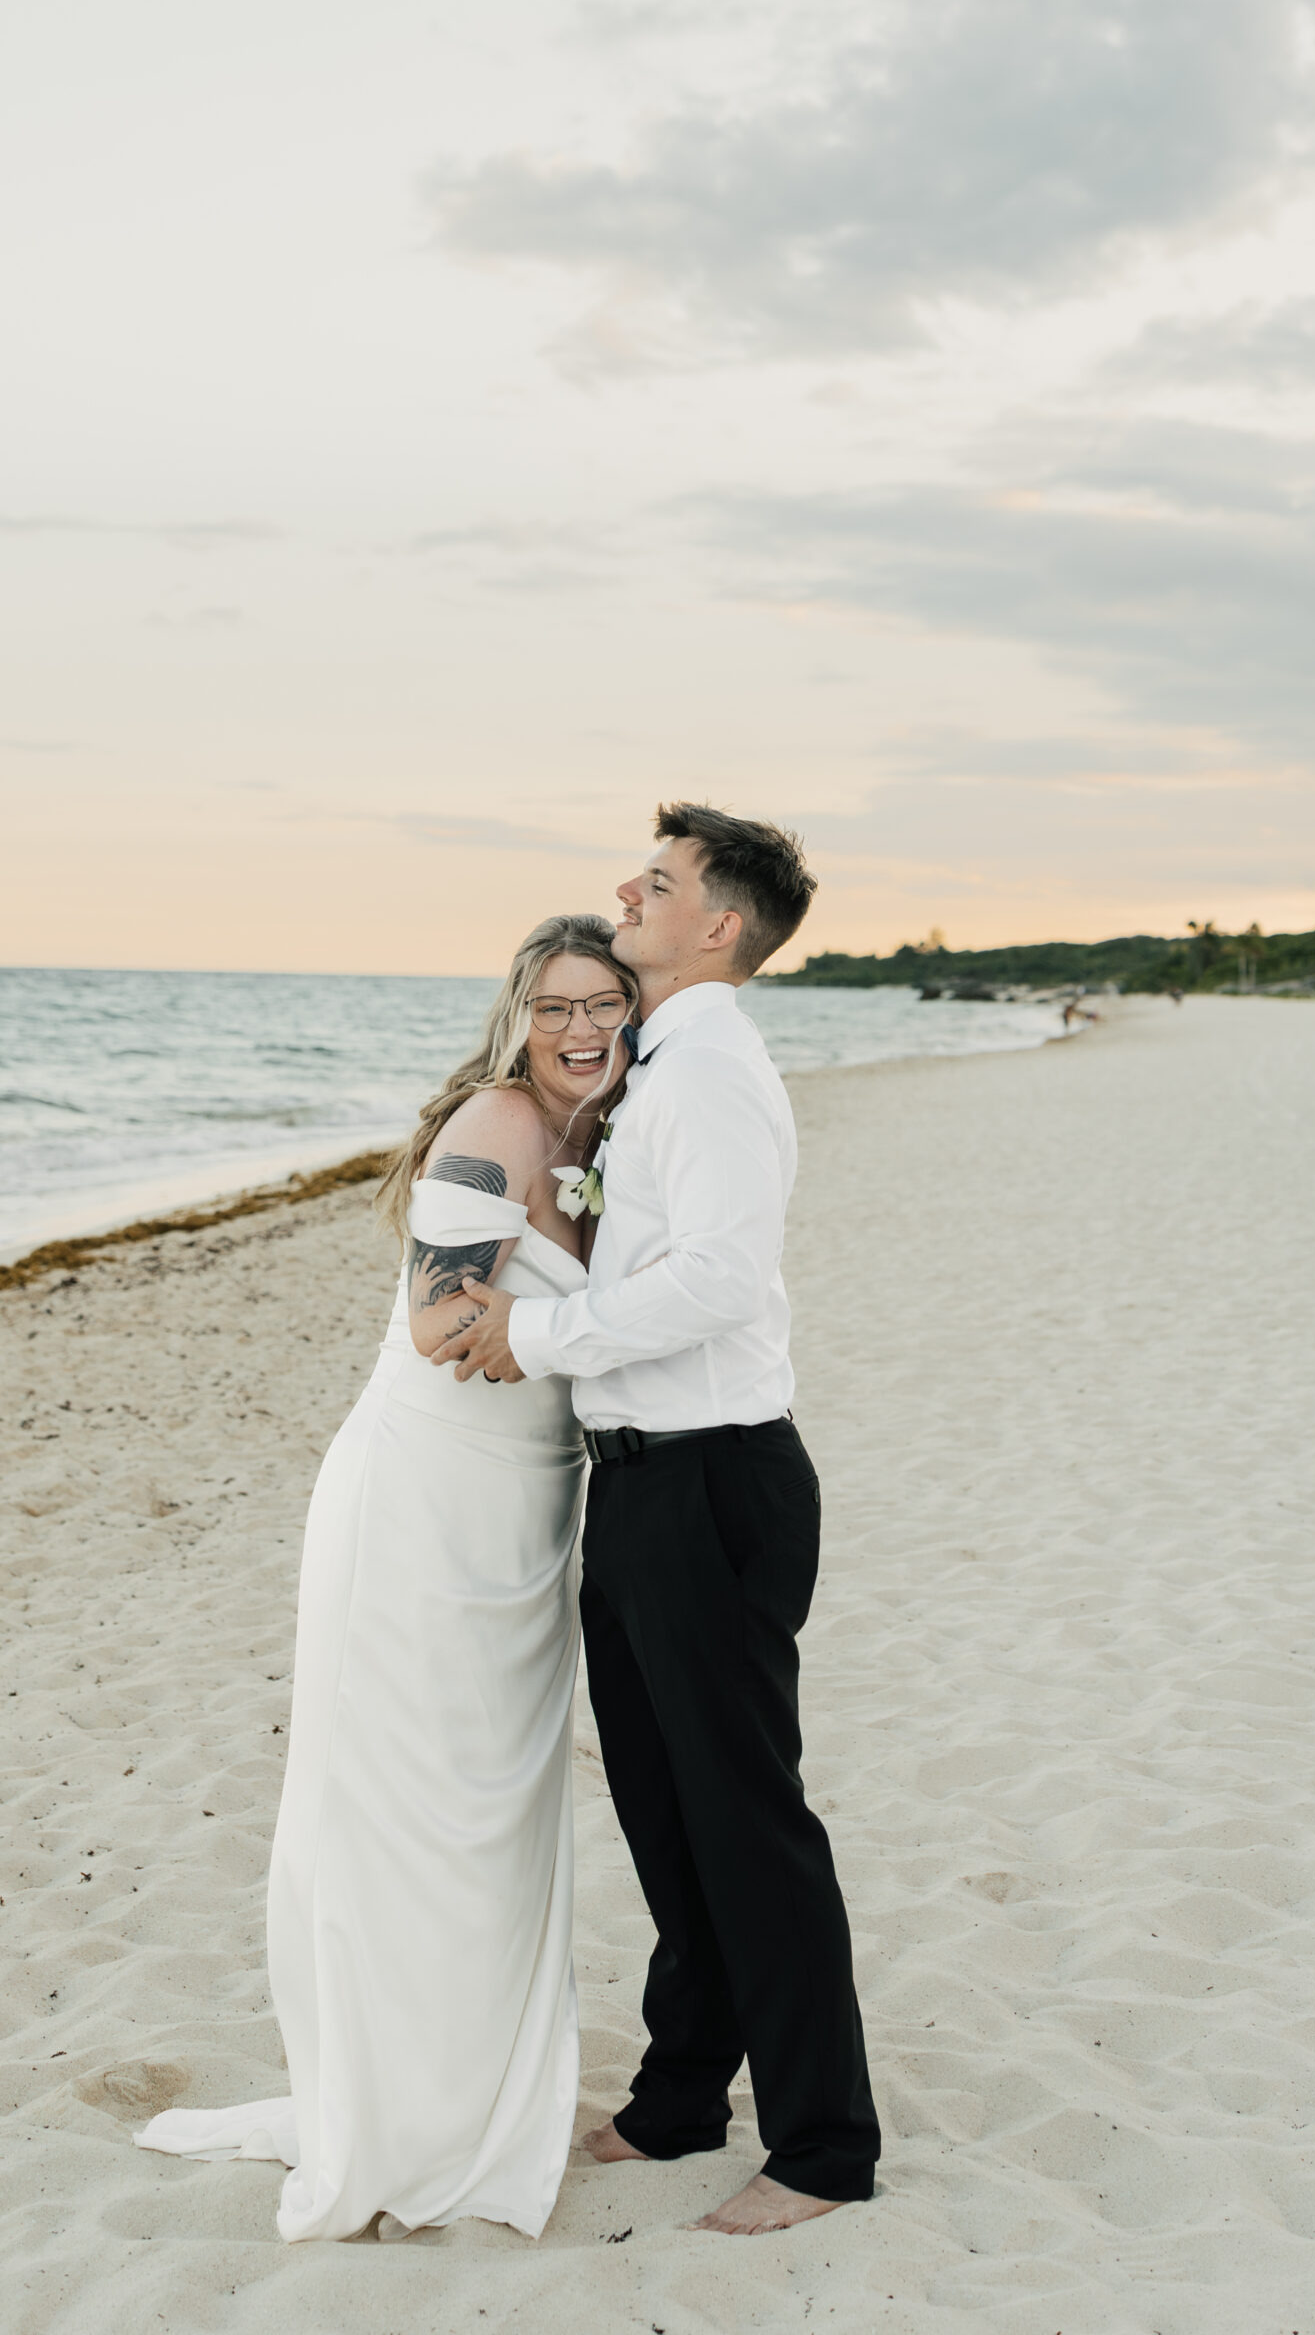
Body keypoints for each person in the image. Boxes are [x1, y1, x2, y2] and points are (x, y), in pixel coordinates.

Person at [135, 915, 634, 2241]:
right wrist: (615, 1325)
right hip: (423, 1501)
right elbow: (442, 1321)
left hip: (529, 1512)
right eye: (555, 1007)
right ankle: (400, 2111)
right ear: (518, 1018)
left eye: (605, 1005)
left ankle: (468, 2093)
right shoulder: (500, 1123)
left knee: (494, 1808)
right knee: (408, 1804)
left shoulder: (603, 1141)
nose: (581, 1030)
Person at [437, 803, 881, 2236]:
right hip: (640, 1480)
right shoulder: (665, 1064)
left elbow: (719, 1282)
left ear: (720, 926)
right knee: (666, 1811)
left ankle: (824, 2147)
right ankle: (683, 2094)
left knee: (746, 1823)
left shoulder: (711, 1076)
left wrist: (535, 1334)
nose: (631, 891)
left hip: (713, 1481)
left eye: (663, 881)